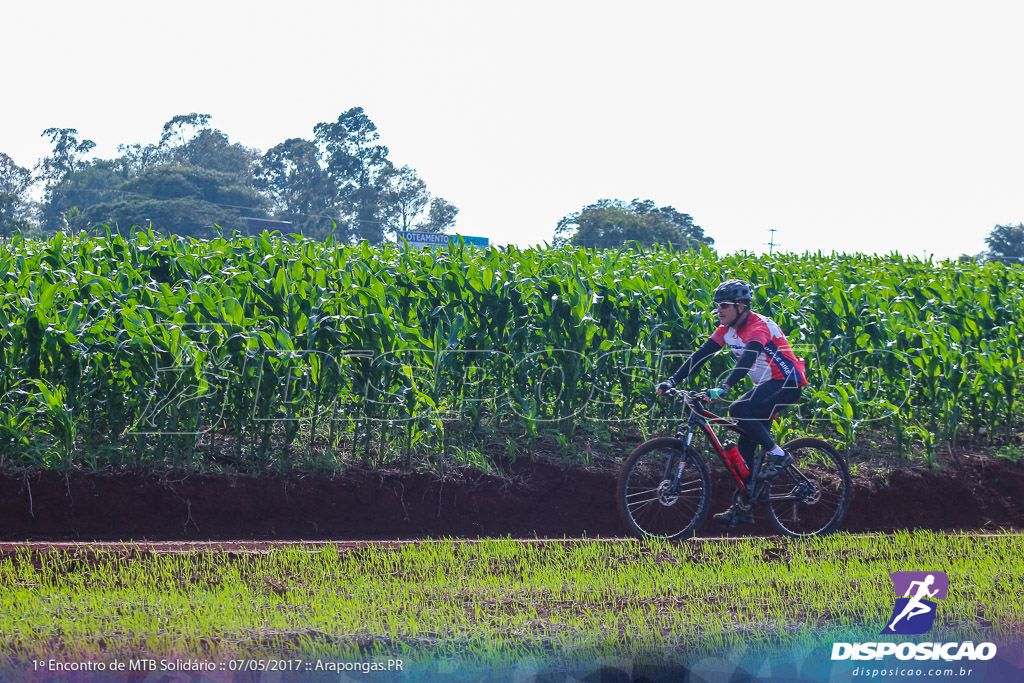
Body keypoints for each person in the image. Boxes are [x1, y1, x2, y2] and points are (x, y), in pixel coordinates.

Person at [657, 278, 807, 526]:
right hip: (765, 386)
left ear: (742, 306)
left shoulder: (758, 327)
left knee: (738, 408)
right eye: (718, 305)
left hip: (787, 383)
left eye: (724, 305)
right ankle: (744, 506)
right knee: (744, 446)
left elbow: (746, 361)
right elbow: (699, 356)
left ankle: (779, 455)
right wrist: (672, 381)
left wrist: (723, 388)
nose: (719, 310)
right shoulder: (726, 329)